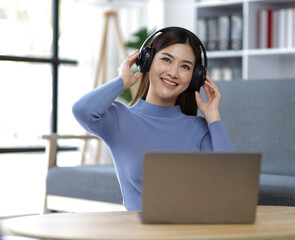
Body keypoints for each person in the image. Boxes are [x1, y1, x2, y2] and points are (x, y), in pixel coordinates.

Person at [72, 27, 235, 211]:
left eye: (185, 66)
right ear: (147, 61)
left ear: (195, 77)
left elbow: (230, 183)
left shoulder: (199, 128)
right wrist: (122, 81)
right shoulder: (120, 119)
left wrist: (214, 116)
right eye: (166, 59)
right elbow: (82, 110)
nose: (174, 73)